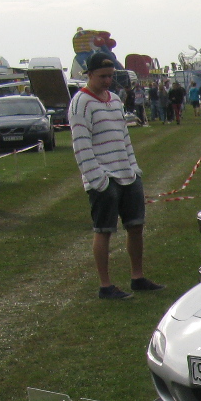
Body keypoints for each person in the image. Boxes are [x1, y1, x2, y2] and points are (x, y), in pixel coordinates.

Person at [69, 50, 161, 301]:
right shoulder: (80, 103)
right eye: (102, 76)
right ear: (89, 74)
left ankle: (137, 277)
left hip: (127, 174)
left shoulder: (115, 101)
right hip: (103, 178)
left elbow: (124, 138)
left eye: (110, 76)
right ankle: (105, 285)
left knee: (136, 227)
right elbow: (81, 144)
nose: (108, 81)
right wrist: (97, 179)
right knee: (104, 230)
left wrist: (134, 168)